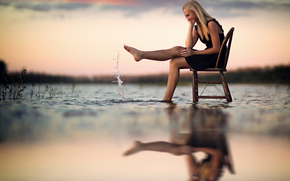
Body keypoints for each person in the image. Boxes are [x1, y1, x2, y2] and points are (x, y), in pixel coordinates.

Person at [124, 0, 226, 102]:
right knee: (175, 55)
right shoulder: (198, 26)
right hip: (207, 56)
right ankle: (141, 55)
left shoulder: (211, 24)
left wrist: (194, 53)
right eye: (186, 16)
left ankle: (166, 99)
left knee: (175, 61)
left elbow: (216, 49)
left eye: (188, 15)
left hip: (215, 58)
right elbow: (188, 46)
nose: (187, 18)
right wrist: (190, 27)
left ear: (196, 11)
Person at [123, 108, 234, 181]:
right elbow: (217, 153)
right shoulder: (210, 177)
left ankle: (142, 146)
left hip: (205, 146)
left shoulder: (197, 174)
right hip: (215, 144)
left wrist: (191, 173)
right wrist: (194, 148)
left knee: (177, 151)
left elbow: (187, 155)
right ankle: (173, 118)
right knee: (177, 149)